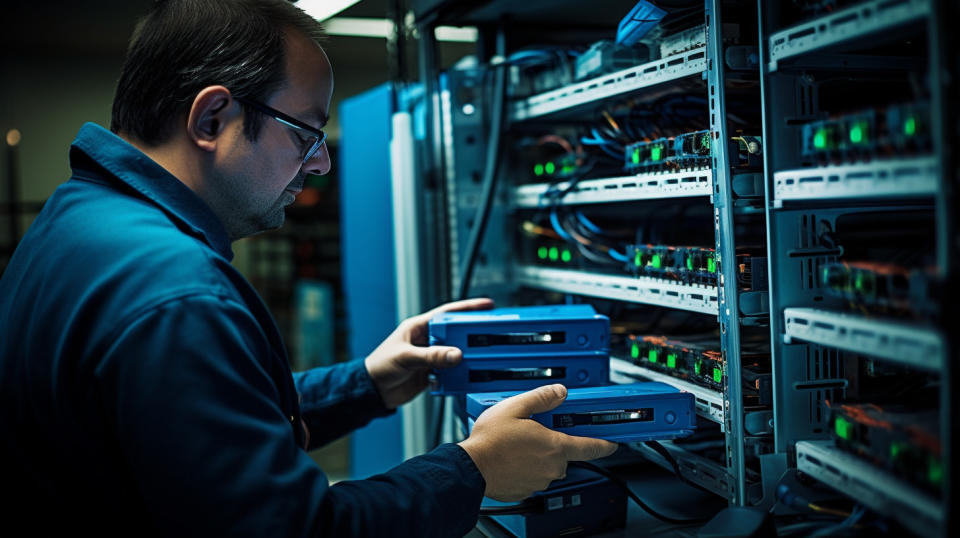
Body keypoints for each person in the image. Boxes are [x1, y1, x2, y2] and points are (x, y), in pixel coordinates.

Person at [0, 0, 618, 536]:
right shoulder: (176, 293)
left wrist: (368, 383)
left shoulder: (78, 220)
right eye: (305, 134)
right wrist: (474, 469)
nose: (321, 164)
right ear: (212, 119)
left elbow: (198, 437)